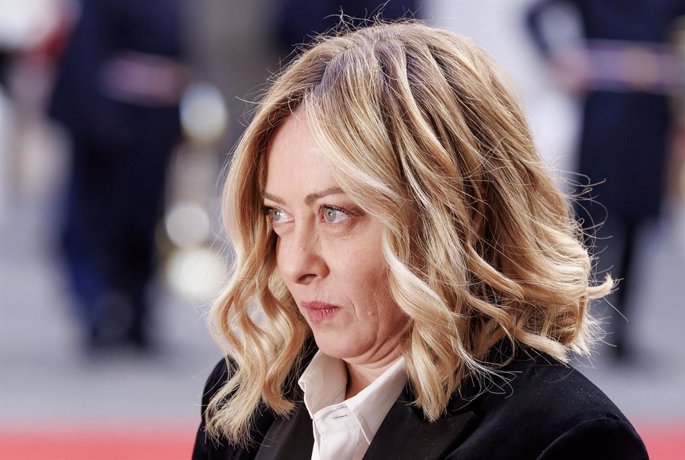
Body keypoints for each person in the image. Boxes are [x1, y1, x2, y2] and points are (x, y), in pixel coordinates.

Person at [192, 21, 648, 459]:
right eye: (279, 214)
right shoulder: (244, 398)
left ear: (453, 217)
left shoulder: (565, 438)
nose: (295, 264)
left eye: (334, 214)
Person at [524, 0, 685, 360]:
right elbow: (535, 15)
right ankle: (568, 324)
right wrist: (558, 60)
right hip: (604, 120)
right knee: (587, 225)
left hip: (651, 121)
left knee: (638, 225)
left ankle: (622, 335)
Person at [48, 0, 186, 352]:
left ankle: (137, 313)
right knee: (94, 225)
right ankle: (99, 312)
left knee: (143, 224)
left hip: (150, 126)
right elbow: (87, 56)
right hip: (107, 125)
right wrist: (101, 122)